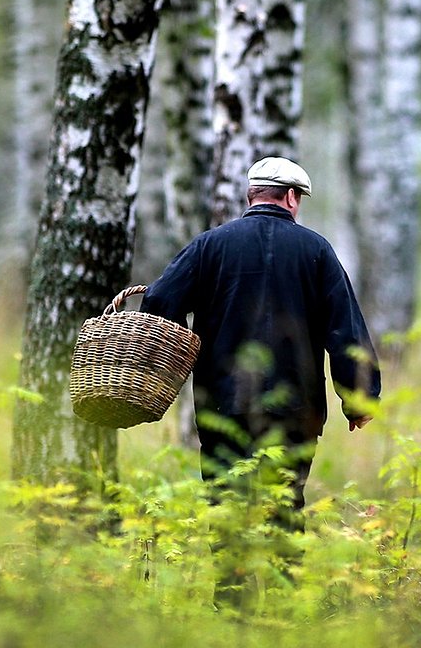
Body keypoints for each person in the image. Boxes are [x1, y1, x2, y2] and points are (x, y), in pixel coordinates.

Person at [141, 156, 381, 522]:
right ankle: (282, 576)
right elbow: (344, 329)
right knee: (283, 510)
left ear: (251, 195)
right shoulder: (316, 250)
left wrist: (178, 354)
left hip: (222, 405)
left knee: (226, 510)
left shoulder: (209, 245)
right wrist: (359, 399)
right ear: (289, 197)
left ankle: (230, 581)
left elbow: (158, 300)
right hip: (295, 410)